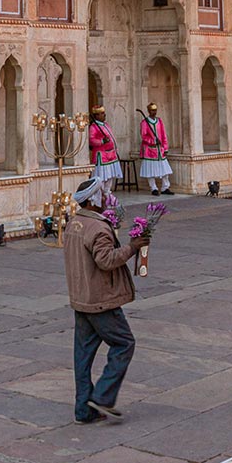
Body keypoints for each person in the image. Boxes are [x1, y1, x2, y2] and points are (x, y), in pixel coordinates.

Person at [64, 177, 149, 424]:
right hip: (101, 299)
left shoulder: (75, 223)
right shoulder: (97, 228)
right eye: (102, 194)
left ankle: (84, 410)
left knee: (83, 356)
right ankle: (102, 397)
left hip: (82, 297)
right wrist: (133, 247)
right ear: (92, 201)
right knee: (124, 343)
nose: (106, 197)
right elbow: (106, 260)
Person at [137, 103, 172, 196]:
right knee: (150, 171)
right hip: (149, 150)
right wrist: (152, 140)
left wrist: (165, 147)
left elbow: (163, 135)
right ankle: (153, 188)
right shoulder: (144, 123)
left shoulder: (159, 121)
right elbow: (144, 136)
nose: (154, 112)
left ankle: (165, 187)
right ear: (149, 111)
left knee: (165, 170)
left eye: (155, 110)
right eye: (152, 110)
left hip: (159, 150)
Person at [87, 106, 121, 187]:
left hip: (111, 154)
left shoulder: (106, 125)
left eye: (104, 113)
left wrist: (116, 151)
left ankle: (107, 193)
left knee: (110, 176)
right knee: (101, 177)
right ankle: (100, 194)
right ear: (96, 116)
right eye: (102, 113)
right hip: (102, 156)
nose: (104, 115)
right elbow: (91, 141)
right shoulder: (93, 127)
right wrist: (102, 141)